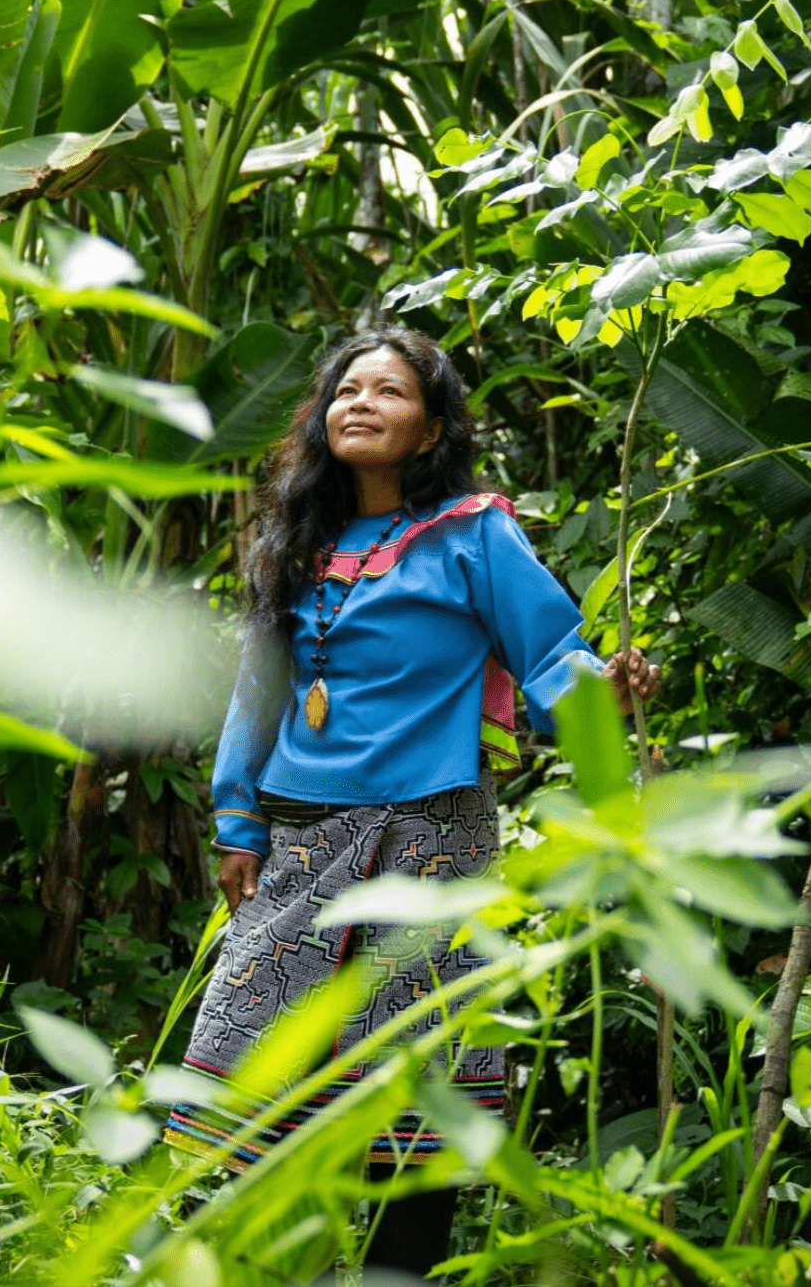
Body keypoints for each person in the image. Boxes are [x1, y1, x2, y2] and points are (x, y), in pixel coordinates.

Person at [160, 327, 661, 1282]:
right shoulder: (293, 540)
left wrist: (609, 689)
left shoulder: (474, 532)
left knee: (415, 1090)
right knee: (246, 1069)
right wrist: (236, 821)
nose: (358, 404)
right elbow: (257, 689)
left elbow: (549, 653)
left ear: (430, 431)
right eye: (346, 390)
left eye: (387, 392)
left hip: (431, 837)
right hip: (301, 845)